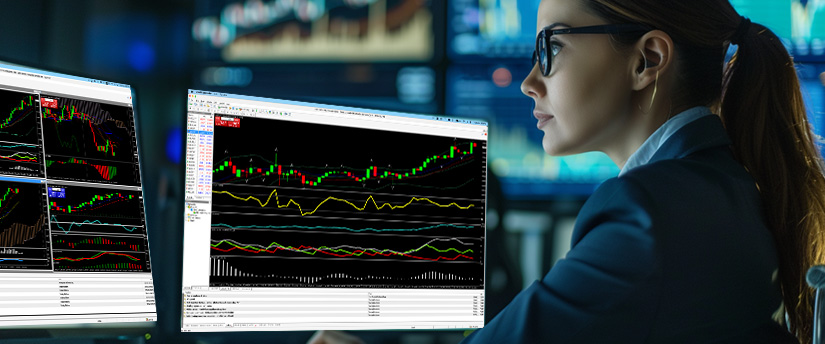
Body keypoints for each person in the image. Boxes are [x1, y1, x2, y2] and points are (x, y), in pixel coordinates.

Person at [310, 0, 825, 342]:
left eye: (551, 47)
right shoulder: (731, 186)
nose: (529, 82)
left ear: (647, 60)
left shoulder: (647, 216)